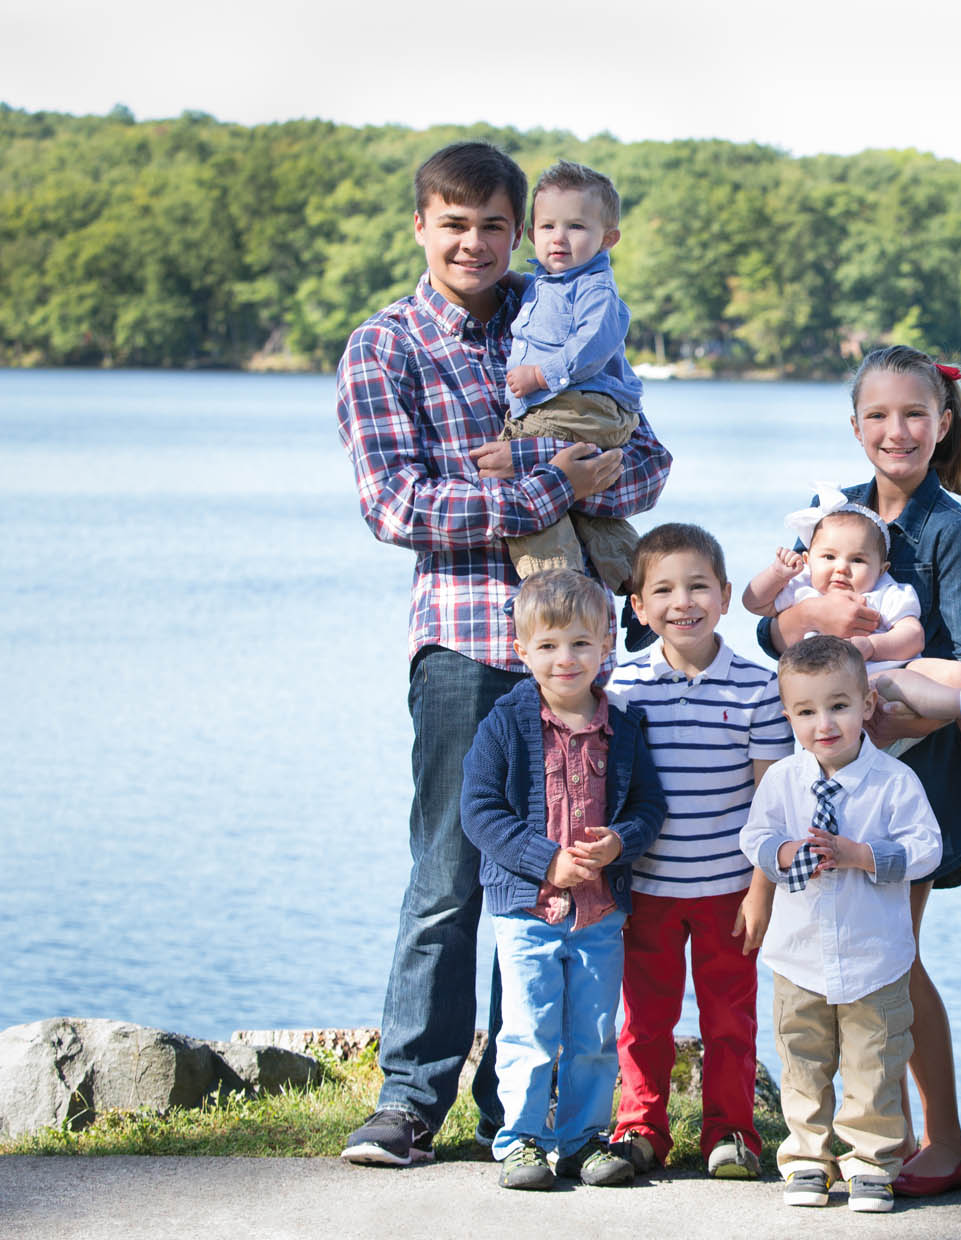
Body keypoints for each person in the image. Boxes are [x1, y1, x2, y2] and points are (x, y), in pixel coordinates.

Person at [336, 139, 671, 1167]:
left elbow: (649, 462)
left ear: (516, 228)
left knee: (558, 877)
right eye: (454, 223)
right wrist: (549, 486)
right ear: (422, 229)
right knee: (448, 868)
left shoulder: (567, 310)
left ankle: (520, 1108)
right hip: (466, 644)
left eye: (492, 224)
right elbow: (398, 505)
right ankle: (408, 1100)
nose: (475, 242)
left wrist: (575, 477)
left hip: (575, 655)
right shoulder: (385, 347)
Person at [756, 346, 961, 1196]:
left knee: (894, 962)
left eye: (914, 415)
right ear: (855, 428)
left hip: (906, 784)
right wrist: (804, 617)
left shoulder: (951, 530)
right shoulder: (832, 517)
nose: (897, 431)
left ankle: (940, 1139)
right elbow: (775, 629)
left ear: (943, 424)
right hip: (827, 776)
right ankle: (852, 1143)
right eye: (879, 416)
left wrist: (891, 709)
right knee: (837, 964)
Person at [594, 524, 793, 1185]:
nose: (684, 602)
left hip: (728, 889)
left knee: (728, 1016)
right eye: (665, 590)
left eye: (699, 586)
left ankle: (731, 1130)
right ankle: (640, 1128)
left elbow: (771, 801)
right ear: (640, 607)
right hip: (645, 889)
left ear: (727, 595)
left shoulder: (757, 688)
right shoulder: (622, 688)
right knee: (644, 1017)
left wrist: (763, 889)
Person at [458, 570, 665, 1187]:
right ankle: (519, 1139)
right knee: (528, 1030)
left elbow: (650, 808)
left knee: (595, 1032)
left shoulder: (623, 727)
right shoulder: (505, 722)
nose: (565, 659)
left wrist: (620, 842)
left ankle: (582, 1139)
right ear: (521, 652)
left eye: (579, 643)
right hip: (527, 911)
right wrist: (544, 859)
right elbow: (479, 809)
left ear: (607, 644)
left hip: (601, 912)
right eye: (547, 646)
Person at [740, 636, 943, 1213]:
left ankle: (872, 1162)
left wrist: (862, 855)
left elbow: (927, 851)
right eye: (805, 711)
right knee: (803, 1058)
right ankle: (807, 1157)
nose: (823, 723)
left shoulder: (894, 783)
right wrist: (782, 855)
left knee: (874, 1059)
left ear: (867, 705)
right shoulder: (781, 780)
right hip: (798, 954)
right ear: (788, 715)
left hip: (872, 954)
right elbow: (754, 837)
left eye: (838, 706)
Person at [743, 491, 961, 770]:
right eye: (829, 557)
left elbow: (913, 636)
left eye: (857, 561)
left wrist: (873, 647)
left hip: (889, 685)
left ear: (882, 569)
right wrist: (777, 575)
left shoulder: (884, 592)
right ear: (807, 559)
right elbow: (753, 603)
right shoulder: (803, 589)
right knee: (891, 682)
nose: (841, 568)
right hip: (839, 695)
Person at [498, 159, 645, 597]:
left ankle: (555, 587)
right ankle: (634, 582)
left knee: (522, 478)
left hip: (578, 404)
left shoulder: (596, 288)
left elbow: (593, 345)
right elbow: (546, 303)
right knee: (585, 508)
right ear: (530, 234)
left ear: (608, 238)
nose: (558, 238)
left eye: (576, 227)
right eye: (547, 227)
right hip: (582, 408)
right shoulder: (548, 283)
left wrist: (542, 375)